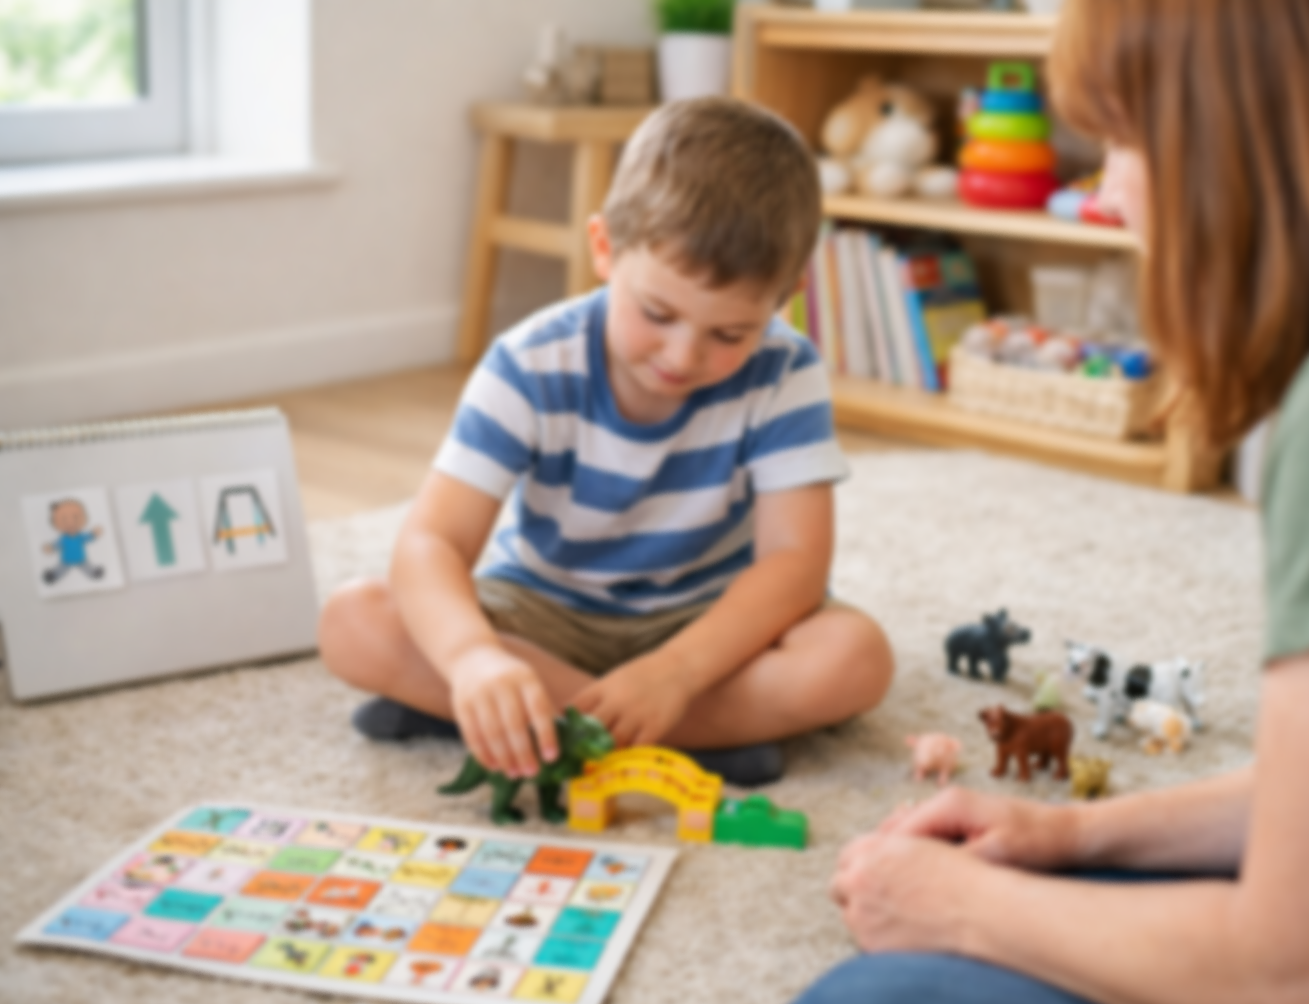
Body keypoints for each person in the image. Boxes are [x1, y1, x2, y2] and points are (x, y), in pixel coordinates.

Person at [785, 0, 1309, 1004]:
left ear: (1239, 138)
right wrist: (1071, 835)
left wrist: (962, 908)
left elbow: (1300, 973)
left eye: (1126, 140)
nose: (1108, 195)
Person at [319, 98, 894, 787]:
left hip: (708, 629)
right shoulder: (528, 362)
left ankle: (529, 725)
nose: (683, 356)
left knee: (855, 659)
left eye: (731, 334)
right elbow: (429, 544)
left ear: (783, 300)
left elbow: (795, 563)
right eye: (657, 313)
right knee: (355, 620)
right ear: (603, 249)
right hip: (544, 611)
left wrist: (677, 672)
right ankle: (683, 738)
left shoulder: (785, 370)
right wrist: (474, 658)